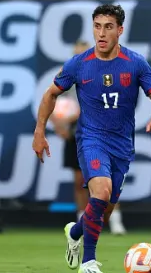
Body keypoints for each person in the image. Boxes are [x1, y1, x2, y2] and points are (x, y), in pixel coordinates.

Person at [32, 4, 151, 273]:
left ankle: (75, 234)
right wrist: (40, 131)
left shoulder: (136, 63)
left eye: (108, 27)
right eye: (97, 26)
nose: (101, 33)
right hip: (91, 139)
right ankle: (88, 262)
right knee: (101, 192)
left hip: (122, 145)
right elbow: (50, 94)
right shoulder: (79, 63)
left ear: (120, 30)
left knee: (103, 211)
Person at [52, 40, 127, 236]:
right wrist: (57, 125)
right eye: (76, 54)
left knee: (107, 181)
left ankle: (115, 222)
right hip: (75, 136)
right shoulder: (67, 76)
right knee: (79, 181)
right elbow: (53, 100)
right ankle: (81, 221)